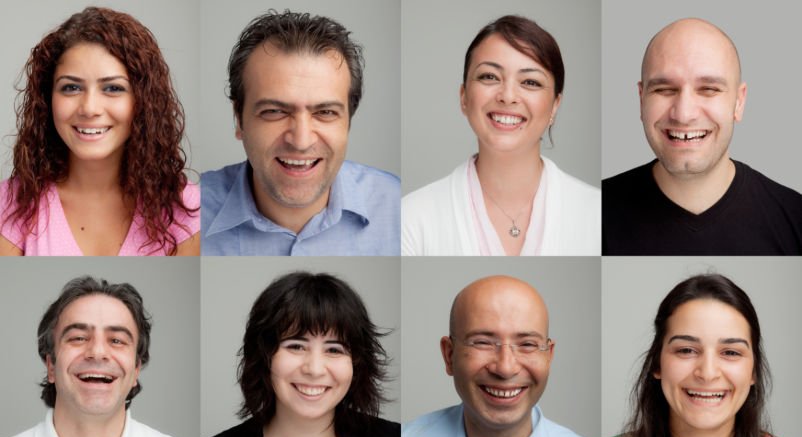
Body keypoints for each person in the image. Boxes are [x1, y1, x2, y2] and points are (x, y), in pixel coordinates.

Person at [0, 7, 199, 256]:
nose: (89, 108)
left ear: (144, 100)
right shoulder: (9, 203)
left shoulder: (187, 207)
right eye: (71, 87)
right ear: (47, 98)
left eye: (113, 88)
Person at [201, 10, 399, 255]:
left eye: (325, 112)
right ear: (238, 119)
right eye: (274, 111)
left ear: (348, 121)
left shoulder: (401, 209)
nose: (301, 141)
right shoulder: (188, 213)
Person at [402, 15, 599, 256]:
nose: (507, 96)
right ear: (464, 97)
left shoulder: (599, 213)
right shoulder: (410, 217)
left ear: (555, 105)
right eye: (489, 77)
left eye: (530, 82)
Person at [603, 273, 802, 437]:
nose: (707, 373)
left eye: (730, 352)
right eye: (686, 350)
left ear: (753, 372)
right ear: (657, 364)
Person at [202, 271, 399, 437]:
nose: (314, 369)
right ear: (264, 356)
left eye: (334, 350)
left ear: (356, 363)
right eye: (296, 346)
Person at [603, 18, 802, 255]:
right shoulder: (593, 214)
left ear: (739, 102)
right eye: (664, 90)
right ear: (641, 99)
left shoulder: (795, 218)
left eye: (709, 89)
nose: (684, 114)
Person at [0, 276, 199, 437]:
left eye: (116, 340)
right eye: (78, 338)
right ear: (51, 366)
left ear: (136, 370)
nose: (97, 352)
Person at [402, 275, 600, 437]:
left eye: (527, 344)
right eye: (483, 342)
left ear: (548, 356)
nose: (506, 368)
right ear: (449, 355)